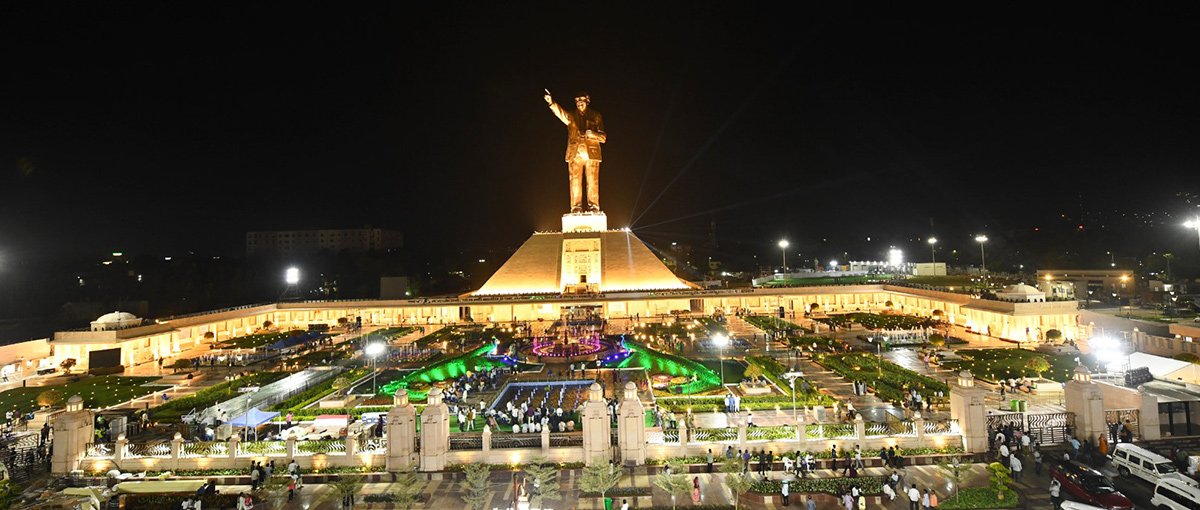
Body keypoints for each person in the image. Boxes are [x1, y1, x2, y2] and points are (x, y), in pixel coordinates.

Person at [543, 90, 606, 212]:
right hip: (575, 152)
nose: (579, 103)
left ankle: (594, 207)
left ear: (587, 101)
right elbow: (560, 113)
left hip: (591, 153)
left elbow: (603, 137)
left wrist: (593, 134)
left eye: (582, 100)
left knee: (592, 182)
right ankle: (576, 207)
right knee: (575, 182)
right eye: (577, 101)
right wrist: (552, 103)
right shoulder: (571, 116)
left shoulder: (596, 116)